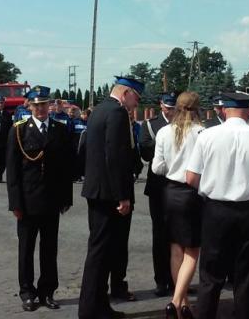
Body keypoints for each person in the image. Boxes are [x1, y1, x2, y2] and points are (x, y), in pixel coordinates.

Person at [185, 92, 249, 319]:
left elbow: (191, 178)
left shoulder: (207, 136)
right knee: (248, 274)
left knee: (211, 274)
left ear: (224, 110)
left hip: (216, 210)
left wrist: (212, 186)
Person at [79, 76, 144, 319]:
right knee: (100, 253)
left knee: (103, 252)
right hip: (108, 195)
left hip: (98, 190)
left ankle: (99, 306)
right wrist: (122, 196)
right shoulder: (116, 113)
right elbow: (115, 157)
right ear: (126, 93)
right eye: (136, 98)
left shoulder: (99, 110)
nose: (136, 104)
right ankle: (89, 310)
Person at [5, 85, 73, 312]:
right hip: (27, 201)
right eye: (36, 105)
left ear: (50, 105)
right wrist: (15, 203)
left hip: (52, 200)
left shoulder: (60, 129)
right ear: (30, 107)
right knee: (26, 249)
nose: (41, 109)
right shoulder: (19, 130)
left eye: (44, 104)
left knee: (49, 249)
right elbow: (13, 171)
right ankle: (27, 293)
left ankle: (47, 292)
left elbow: (65, 168)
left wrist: (66, 198)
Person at [151, 91, 204, 319]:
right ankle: (176, 301)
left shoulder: (164, 131)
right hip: (193, 193)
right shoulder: (202, 133)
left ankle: (182, 303)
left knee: (175, 249)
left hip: (170, 192)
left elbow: (156, 167)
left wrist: (173, 166)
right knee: (192, 250)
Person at [138, 92, 178, 297]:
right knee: (160, 235)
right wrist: (165, 144)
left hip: (179, 186)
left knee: (178, 235)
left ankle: (177, 280)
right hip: (158, 187)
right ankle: (161, 280)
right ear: (161, 105)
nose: (170, 111)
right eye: (167, 107)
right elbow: (145, 152)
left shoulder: (183, 124)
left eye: (173, 108)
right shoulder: (150, 125)